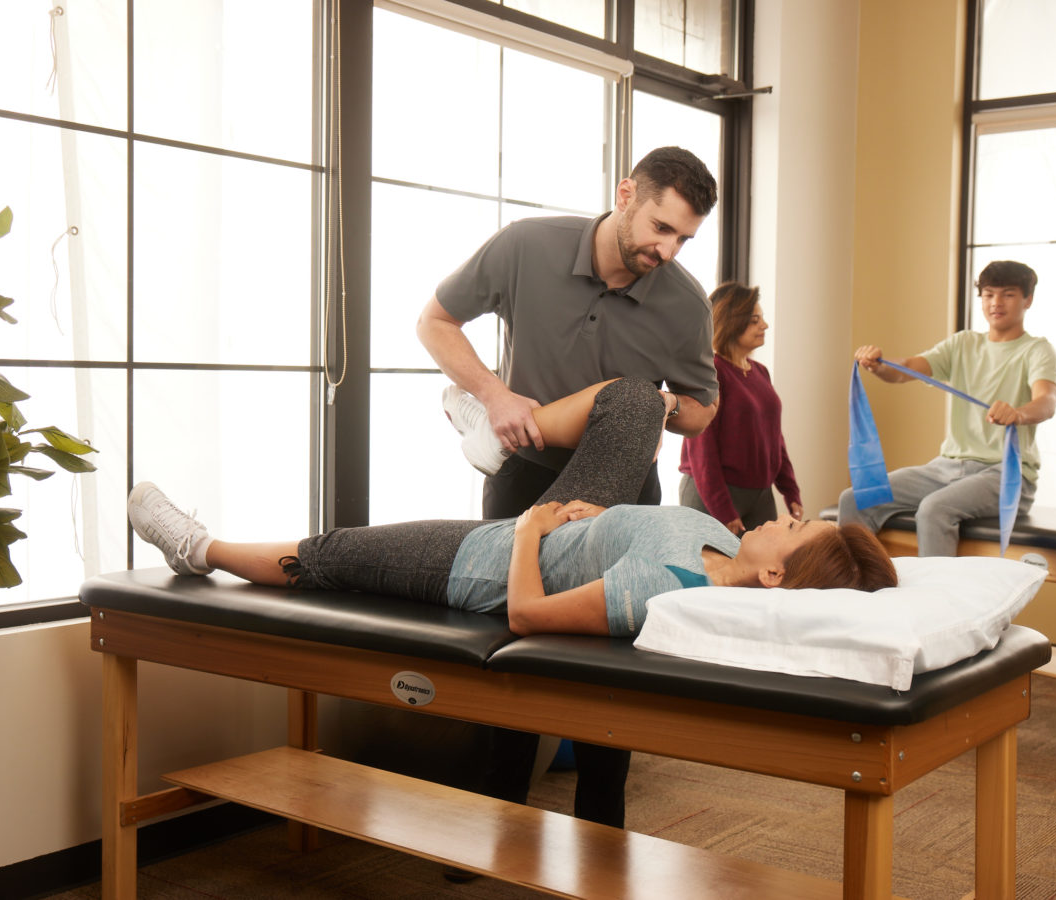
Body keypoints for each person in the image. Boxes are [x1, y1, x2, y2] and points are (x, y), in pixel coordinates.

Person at [418, 146, 722, 829]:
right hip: (524, 475)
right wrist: (493, 394)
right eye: (660, 227)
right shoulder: (528, 246)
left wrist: (655, 406)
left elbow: (704, 409)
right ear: (625, 194)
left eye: (683, 238)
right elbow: (434, 321)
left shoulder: (684, 302)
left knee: (610, 667)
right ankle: (499, 819)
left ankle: (602, 834)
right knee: (509, 649)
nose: (668, 250)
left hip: (625, 495)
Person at [130, 378, 896, 638]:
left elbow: (527, 615)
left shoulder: (670, 590)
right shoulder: (720, 547)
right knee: (636, 403)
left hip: (484, 561)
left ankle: (199, 548)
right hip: (576, 520)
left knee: (329, 554)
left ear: (773, 579)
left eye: (793, 530)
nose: (784, 518)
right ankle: (493, 440)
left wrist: (529, 529)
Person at [836, 260, 1056, 557]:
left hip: (1005, 473)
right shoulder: (963, 343)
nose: (996, 302)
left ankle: (936, 600)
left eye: (1008, 294)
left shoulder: (1036, 350)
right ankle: (854, 585)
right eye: (989, 294)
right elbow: (906, 369)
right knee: (854, 499)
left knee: (934, 509)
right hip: (946, 468)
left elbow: (1046, 401)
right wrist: (878, 365)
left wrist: (1018, 413)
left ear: (1027, 299)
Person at [678, 282, 802, 535]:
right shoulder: (712, 371)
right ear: (732, 321)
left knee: (761, 572)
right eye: (755, 319)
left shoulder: (760, 372)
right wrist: (723, 509)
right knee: (713, 573)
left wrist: (790, 490)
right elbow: (702, 448)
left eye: (762, 318)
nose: (764, 325)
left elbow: (774, 437)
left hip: (759, 494)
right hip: (713, 495)